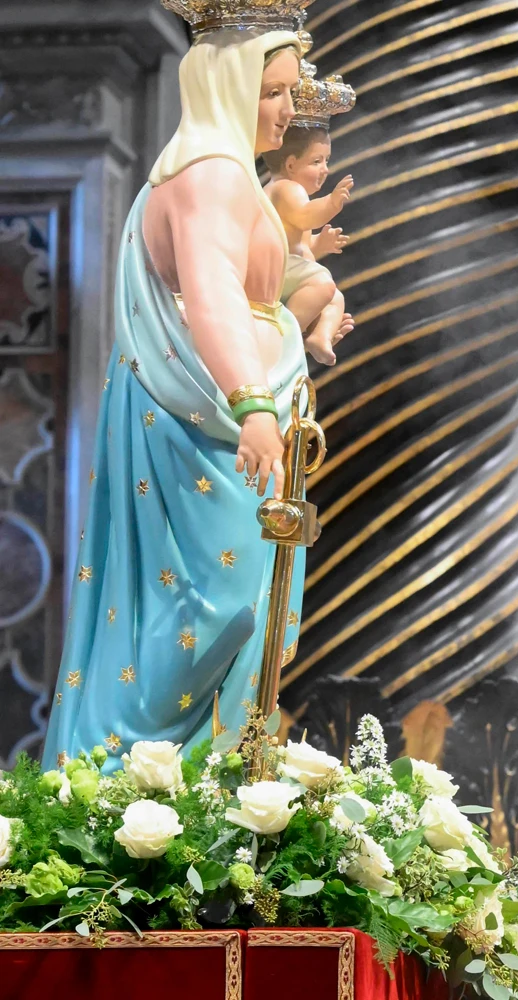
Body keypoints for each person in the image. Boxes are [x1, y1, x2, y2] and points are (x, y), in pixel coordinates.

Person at [43, 12, 325, 765]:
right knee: (214, 611)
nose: (288, 112)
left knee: (244, 614)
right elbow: (211, 295)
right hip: (207, 434)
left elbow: (259, 295)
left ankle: (210, 786)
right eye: (273, 93)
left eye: (290, 93)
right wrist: (255, 405)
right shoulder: (210, 176)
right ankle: (139, 781)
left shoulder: (229, 175)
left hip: (230, 432)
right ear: (227, 86)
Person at [262, 71, 354, 366]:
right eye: (317, 162)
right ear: (291, 164)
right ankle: (284, 334)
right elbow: (304, 218)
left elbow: (300, 245)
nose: (325, 169)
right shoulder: (285, 189)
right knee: (323, 283)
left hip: (292, 270)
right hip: (276, 270)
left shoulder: (292, 188)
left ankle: (317, 338)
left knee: (335, 297)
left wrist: (318, 246)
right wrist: (331, 203)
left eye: (326, 161)